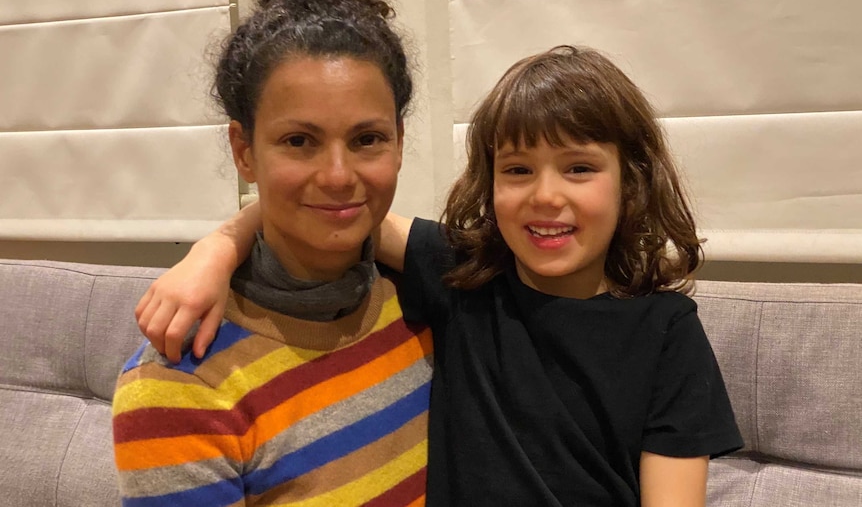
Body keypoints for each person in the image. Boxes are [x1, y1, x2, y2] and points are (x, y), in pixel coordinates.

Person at [137, 45, 744, 506]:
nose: (546, 196)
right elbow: (335, 216)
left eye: (580, 168)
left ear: (630, 178)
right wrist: (213, 253)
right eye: (517, 170)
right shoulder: (464, 274)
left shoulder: (667, 332)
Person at [112, 0, 433, 507]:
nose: (338, 176)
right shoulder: (181, 380)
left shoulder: (423, 296)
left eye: (367, 139)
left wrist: (222, 241)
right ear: (244, 151)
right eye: (298, 141)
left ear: (399, 144)